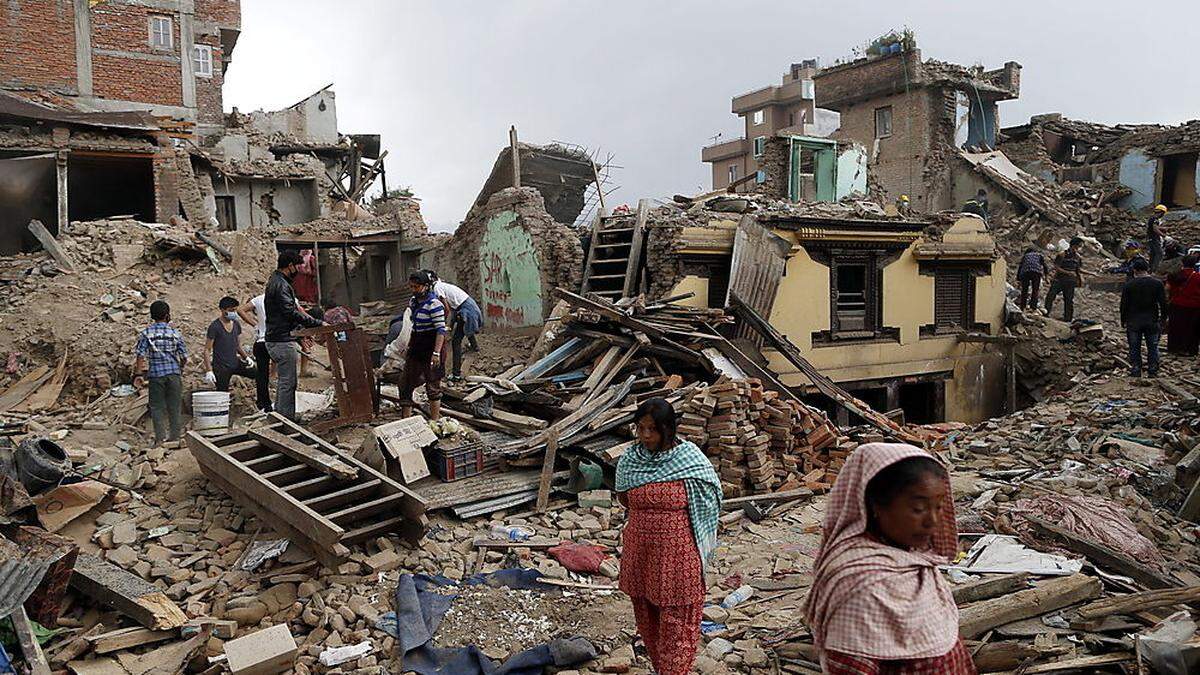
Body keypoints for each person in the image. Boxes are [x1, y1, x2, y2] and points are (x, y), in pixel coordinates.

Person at [804, 443, 973, 674]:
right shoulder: (860, 583)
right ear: (876, 506)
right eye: (918, 508)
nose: (932, 521)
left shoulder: (913, 557)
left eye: (939, 506)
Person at [615, 398, 721, 675]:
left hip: (678, 555)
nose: (646, 435)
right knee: (648, 619)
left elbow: (711, 500)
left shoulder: (690, 459)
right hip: (640, 552)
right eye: (640, 428)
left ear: (668, 429)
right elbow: (624, 498)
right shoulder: (630, 459)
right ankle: (662, 669)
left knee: (678, 622)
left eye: (653, 429)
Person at [264, 250, 324, 419]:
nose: (299, 269)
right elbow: (290, 312)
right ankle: (285, 419)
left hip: (278, 337)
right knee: (288, 382)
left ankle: (281, 415)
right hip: (281, 340)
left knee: (286, 381)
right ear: (289, 266)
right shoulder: (281, 285)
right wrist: (316, 323)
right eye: (297, 266)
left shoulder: (276, 281)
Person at [134, 300, 188, 446]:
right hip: (173, 374)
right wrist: (180, 368)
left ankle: (160, 439)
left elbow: (140, 354)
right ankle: (175, 437)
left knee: (157, 407)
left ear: (152, 316)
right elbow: (184, 356)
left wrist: (138, 374)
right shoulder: (175, 333)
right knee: (174, 406)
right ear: (167, 315)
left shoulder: (146, 333)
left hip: (156, 375)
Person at [400, 271, 447, 420]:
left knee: (432, 384)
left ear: (426, 286)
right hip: (416, 345)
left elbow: (440, 330)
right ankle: (406, 418)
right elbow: (413, 325)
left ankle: (435, 420)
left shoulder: (434, 305)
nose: (414, 290)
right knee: (406, 382)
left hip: (431, 346)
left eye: (417, 287)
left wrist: (436, 353)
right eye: (411, 287)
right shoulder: (413, 302)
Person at [426, 270, 483, 380]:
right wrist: (450, 325)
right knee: (463, 327)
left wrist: (441, 324)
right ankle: (474, 347)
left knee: (456, 341)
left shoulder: (437, 288)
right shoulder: (442, 285)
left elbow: (446, 308)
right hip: (469, 306)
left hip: (466, 310)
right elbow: (453, 309)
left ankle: (456, 374)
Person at [1121, 257, 1168, 378]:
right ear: (1147, 269)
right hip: (1151, 319)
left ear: (1135, 270)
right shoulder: (1157, 283)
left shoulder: (1129, 284)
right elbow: (1163, 303)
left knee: (1134, 346)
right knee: (1152, 346)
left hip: (1133, 320)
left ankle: (1136, 369)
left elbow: (1124, 304)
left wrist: (1123, 319)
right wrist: (1163, 318)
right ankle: (1153, 369)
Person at [204, 296, 255, 393]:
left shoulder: (236, 324)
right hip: (221, 367)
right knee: (222, 393)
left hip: (235, 362)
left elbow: (237, 345)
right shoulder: (215, 327)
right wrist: (209, 370)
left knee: (257, 373)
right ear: (222, 310)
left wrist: (246, 358)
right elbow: (207, 349)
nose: (233, 313)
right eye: (231, 310)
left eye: (235, 310)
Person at [236, 293, 273, 412]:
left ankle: (263, 403)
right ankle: (280, 405)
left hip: (261, 341)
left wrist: (255, 325)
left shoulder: (259, 299)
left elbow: (240, 309)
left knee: (262, 375)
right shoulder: (286, 297)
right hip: (277, 341)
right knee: (285, 375)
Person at [1166, 254, 1200, 356]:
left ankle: (1174, 347)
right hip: (1195, 306)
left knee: (1176, 327)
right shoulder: (1197, 277)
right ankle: (1190, 349)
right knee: (1192, 329)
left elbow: (1167, 288)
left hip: (1177, 304)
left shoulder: (1175, 275)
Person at [1045, 237, 1084, 322]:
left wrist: (1080, 280)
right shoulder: (1062, 254)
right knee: (1051, 296)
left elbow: (1078, 270)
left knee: (1069, 300)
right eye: (1078, 246)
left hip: (1070, 281)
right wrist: (1067, 272)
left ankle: (1068, 318)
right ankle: (1046, 313)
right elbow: (1057, 267)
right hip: (1059, 279)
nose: (1077, 249)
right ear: (1073, 245)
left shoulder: (1078, 257)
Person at [1015, 246, 1049, 310]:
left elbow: (1020, 267)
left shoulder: (1025, 256)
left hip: (1026, 272)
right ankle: (1033, 308)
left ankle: (1022, 307)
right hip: (1036, 272)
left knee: (1024, 290)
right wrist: (1046, 277)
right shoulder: (1039, 255)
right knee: (1035, 290)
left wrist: (1018, 279)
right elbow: (1045, 266)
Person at [1147, 205, 1168, 273]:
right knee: (1159, 253)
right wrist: (1164, 236)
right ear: (1161, 212)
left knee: (1153, 254)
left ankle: (1150, 269)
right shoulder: (1155, 219)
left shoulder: (1153, 218)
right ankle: (1154, 270)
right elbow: (1155, 229)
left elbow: (1154, 227)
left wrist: (1162, 228)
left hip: (1151, 238)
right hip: (1154, 239)